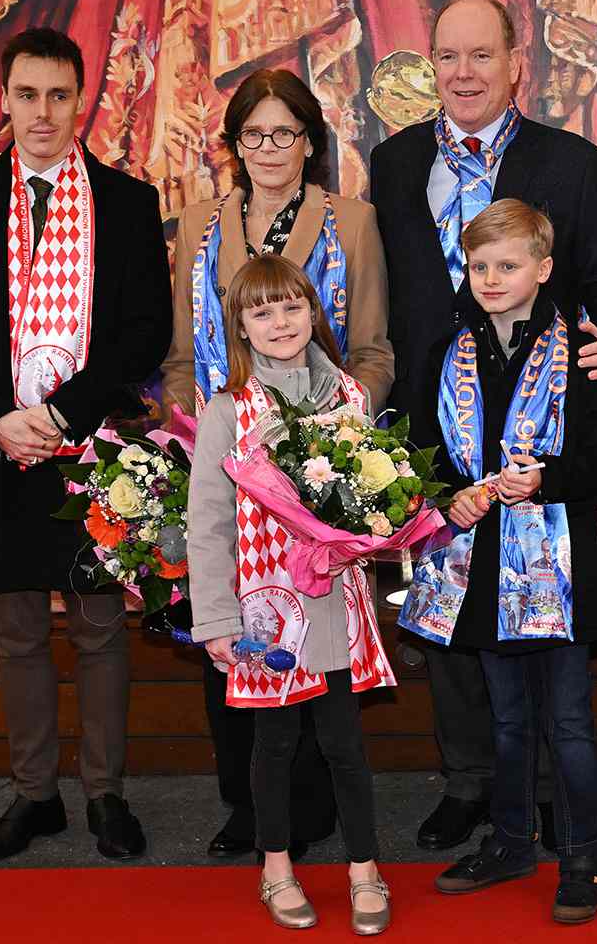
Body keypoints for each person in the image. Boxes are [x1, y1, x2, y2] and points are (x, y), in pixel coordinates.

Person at [369, 0, 597, 851]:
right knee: (449, 609)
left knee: (534, 611)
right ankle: (471, 783)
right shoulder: (396, 161)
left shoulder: (567, 160)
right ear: (429, 67)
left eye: (482, 55)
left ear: (517, 63)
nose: (464, 73)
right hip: (432, 418)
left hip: (538, 419)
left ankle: (549, 799)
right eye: (448, 57)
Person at [0, 27, 171, 862]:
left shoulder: (129, 204)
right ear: (5, 100)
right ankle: (35, 797)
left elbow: (144, 332)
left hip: (92, 449)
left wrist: (65, 416)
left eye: (58, 96)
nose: (42, 113)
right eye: (26, 95)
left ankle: (105, 795)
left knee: (101, 628)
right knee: (17, 633)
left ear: (81, 101)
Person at [161, 67, 394, 859]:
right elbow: (180, 355)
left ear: (310, 142)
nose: (269, 148)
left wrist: (336, 438)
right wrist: (195, 427)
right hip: (220, 450)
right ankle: (249, 807)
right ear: (233, 145)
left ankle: (318, 804)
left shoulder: (352, 222)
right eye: (253, 134)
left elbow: (370, 346)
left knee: (319, 631)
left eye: (285, 133)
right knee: (232, 619)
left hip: (323, 471)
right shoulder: (197, 223)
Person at [399, 199, 597, 924]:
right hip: (477, 568)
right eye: (479, 266)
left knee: (566, 721)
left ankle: (585, 859)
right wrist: (447, 498)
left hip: (555, 573)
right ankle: (510, 843)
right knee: (504, 722)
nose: (492, 277)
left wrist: (548, 479)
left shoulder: (579, 351)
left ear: (543, 269)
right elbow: (418, 454)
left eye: (508, 265)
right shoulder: (446, 349)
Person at [187, 254, 393, 933]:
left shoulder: (352, 401)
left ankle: (365, 868)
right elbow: (208, 523)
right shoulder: (227, 410)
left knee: (345, 744)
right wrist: (215, 619)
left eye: (291, 307)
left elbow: (378, 492)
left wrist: (378, 528)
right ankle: (275, 867)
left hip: (336, 603)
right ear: (240, 328)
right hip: (265, 615)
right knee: (273, 745)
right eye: (261, 311)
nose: (279, 322)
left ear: (314, 313)